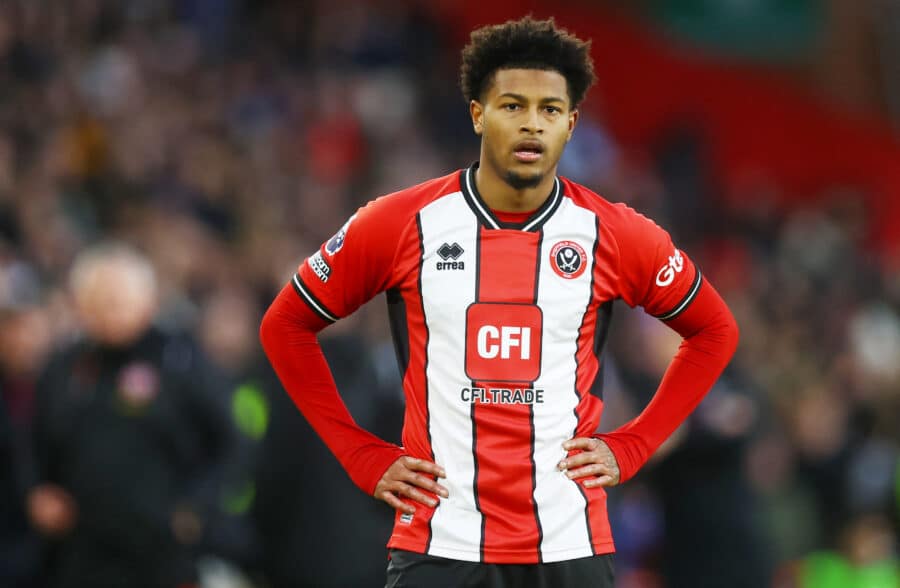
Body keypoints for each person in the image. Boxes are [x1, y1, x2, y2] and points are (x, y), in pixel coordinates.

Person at [260, 16, 739, 587]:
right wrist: (358, 451)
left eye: (550, 110)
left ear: (571, 124)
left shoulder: (614, 234)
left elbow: (714, 330)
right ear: (477, 114)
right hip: (439, 544)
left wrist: (635, 444)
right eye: (513, 105)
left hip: (568, 545)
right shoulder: (398, 223)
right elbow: (285, 326)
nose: (532, 124)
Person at [27, 243, 239, 588]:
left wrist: (196, 508)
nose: (107, 310)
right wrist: (38, 490)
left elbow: (231, 441)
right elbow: (34, 440)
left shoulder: (180, 359)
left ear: (148, 301)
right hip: (81, 551)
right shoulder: (65, 366)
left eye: (117, 299)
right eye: (96, 299)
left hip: (160, 551)